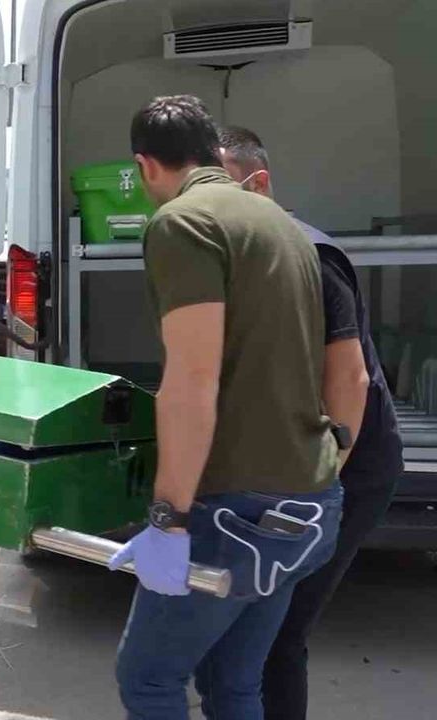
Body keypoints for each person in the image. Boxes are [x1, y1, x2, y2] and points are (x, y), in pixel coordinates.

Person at [107, 95, 342, 719]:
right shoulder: (281, 223)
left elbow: (192, 379)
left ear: (144, 166)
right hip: (309, 494)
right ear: (213, 151)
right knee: (235, 683)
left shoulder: (183, 223)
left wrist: (168, 519)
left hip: (237, 509)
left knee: (149, 680)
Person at [218, 127, 402, 720]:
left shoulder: (308, 257)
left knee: (278, 632)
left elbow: (348, 381)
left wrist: (321, 485)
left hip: (346, 470)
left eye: (222, 190)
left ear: (258, 185)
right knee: (246, 629)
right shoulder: (243, 256)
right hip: (290, 469)